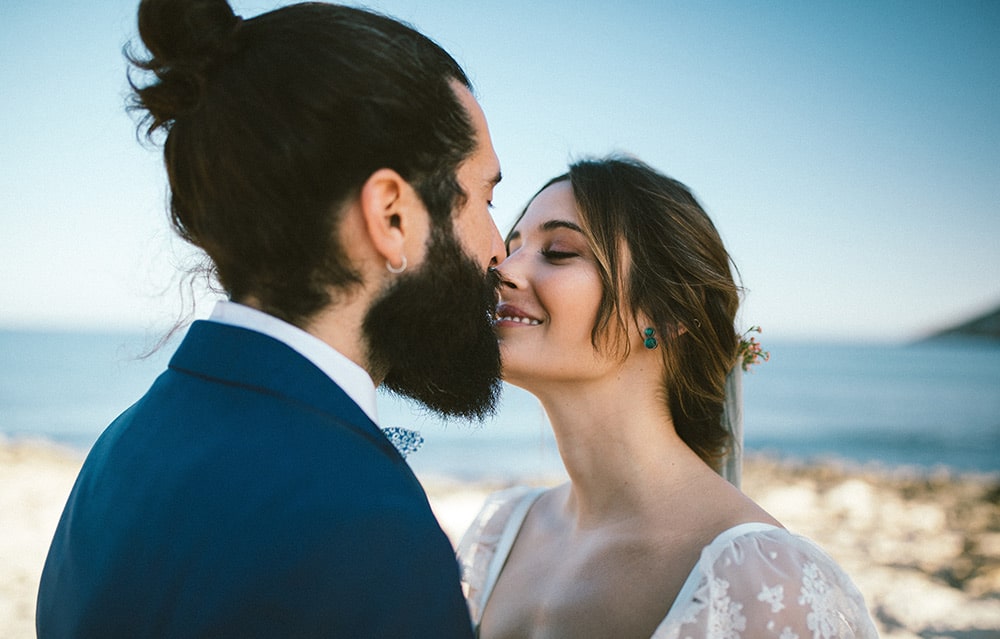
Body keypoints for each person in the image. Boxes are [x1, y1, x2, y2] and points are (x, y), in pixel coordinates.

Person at [37, 1, 506, 636]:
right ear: (392, 216)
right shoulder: (369, 525)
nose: (499, 251)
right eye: (485, 198)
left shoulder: (119, 449)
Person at [457, 157, 878, 638]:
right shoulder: (502, 533)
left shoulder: (762, 582)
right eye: (511, 248)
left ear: (667, 313)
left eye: (559, 252)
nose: (503, 270)